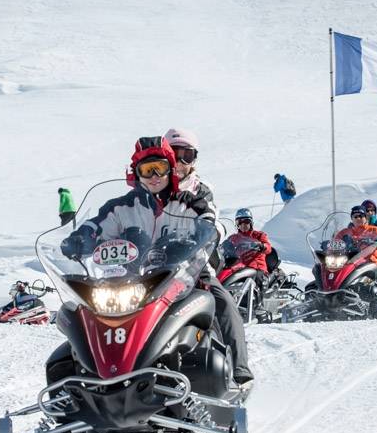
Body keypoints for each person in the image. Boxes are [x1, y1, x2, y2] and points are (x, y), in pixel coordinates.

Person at [62, 136, 253, 384]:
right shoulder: (122, 206)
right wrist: (80, 238)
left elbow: (210, 222)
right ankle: (81, 377)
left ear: (170, 169)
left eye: (159, 168)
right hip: (134, 279)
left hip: (187, 274)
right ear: (136, 173)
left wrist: (197, 237)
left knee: (222, 302)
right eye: (146, 170)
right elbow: (97, 226)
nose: (153, 176)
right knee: (84, 313)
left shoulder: (191, 201)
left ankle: (238, 368)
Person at [227, 208, 273, 276]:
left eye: (246, 221)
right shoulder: (233, 238)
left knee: (256, 277)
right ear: (237, 224)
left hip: (256, 268)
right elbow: (225, 247)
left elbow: (268, 248)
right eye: (240, 222)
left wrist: (261, 246)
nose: (243, 225)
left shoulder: (259, 235)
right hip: (238, 268)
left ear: (251, 223)